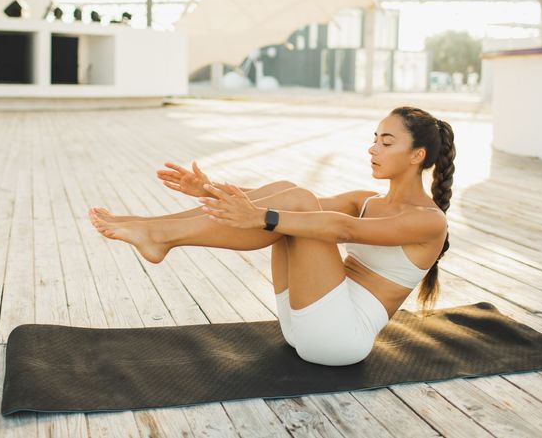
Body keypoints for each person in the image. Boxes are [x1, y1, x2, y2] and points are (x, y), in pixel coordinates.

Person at [89, 106, 456, 366]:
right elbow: (291, 205)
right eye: (374, 139)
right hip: (306, 324)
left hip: (340, 339)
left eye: (386, 142)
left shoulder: (429, 221)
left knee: (294, 206)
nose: (372, 149)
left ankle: (160, 235)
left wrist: (261, 217)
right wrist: (208, 188)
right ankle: (157, 230)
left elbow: (344, 228)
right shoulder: (366, 199)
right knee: (292, 195)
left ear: (416, 155)